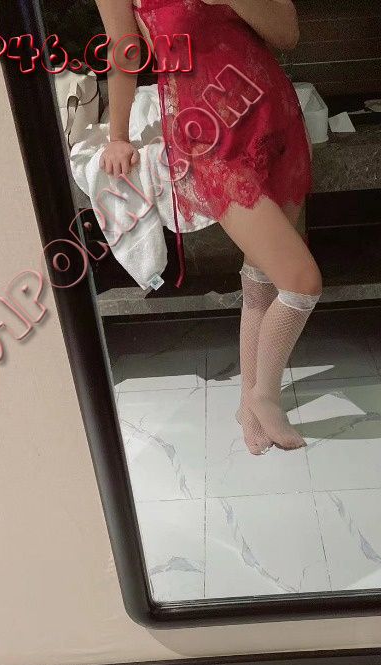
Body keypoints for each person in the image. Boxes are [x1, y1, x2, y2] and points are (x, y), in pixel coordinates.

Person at [95, 0, 321, 453]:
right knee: (301, 281)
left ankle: (248, 407)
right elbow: (125, 51)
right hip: (212, 141)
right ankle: (265, 396)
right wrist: (117, 136)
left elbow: (288, 35)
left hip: (274, 118)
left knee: (260, 274)